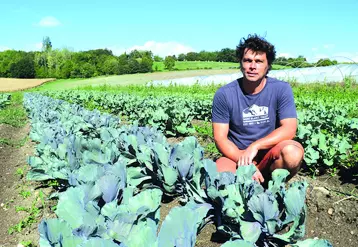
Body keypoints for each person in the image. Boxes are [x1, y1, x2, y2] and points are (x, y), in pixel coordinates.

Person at [212, 34, 304, 184]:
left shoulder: (281, 89)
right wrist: (245, 161)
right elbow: (220, 138)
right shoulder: (224, 94)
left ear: (268, 65)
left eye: (259, 61)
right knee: (219, 178)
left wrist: (256, 146)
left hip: (269, 156)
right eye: (248, 60)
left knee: (292, 153)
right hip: (237, 157)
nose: (252, 66)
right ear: (241, 63)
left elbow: (289, 128)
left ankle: (272, 185)